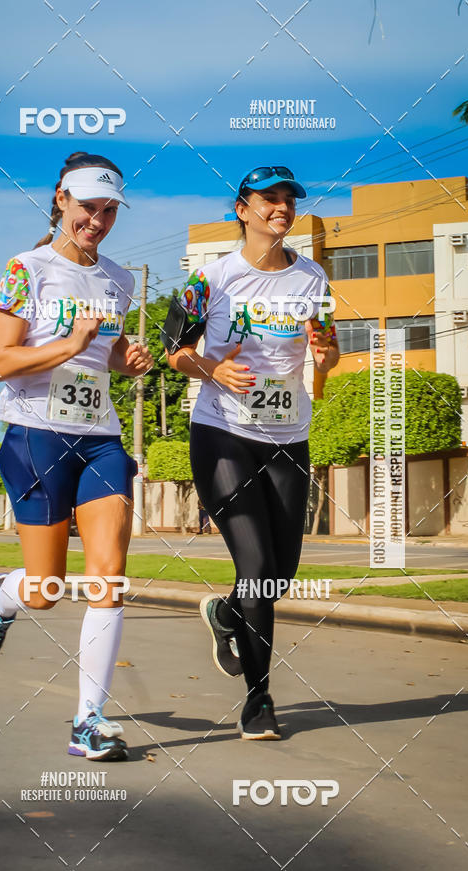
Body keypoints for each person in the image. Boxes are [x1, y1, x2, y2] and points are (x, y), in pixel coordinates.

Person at [0, 151, 153, 761]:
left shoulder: (118, 280)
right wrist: (67, 343)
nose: (97, 221)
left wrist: (122, 359)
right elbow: (2, 361)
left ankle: (88, 721)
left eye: (108, 211)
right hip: (35, 433)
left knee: (109, 576)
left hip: (99, 434)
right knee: (47, 588)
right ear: (59, 200)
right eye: (86, 208)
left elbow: (106, 354)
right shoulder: (25, 268)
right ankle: (6, 594)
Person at [164, 165, 340, 740]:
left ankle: (226, 613)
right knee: (258, 567)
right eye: (269, 199)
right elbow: (173, 350)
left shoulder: (313, 276)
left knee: (281, 573)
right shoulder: (209, 279)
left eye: (289, 199)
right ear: (242, 209)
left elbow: (329, 351)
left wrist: (324, 353)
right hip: (222, 433)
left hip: (289, 436)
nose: (281, 208)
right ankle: (259, 700)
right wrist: (213, 366)